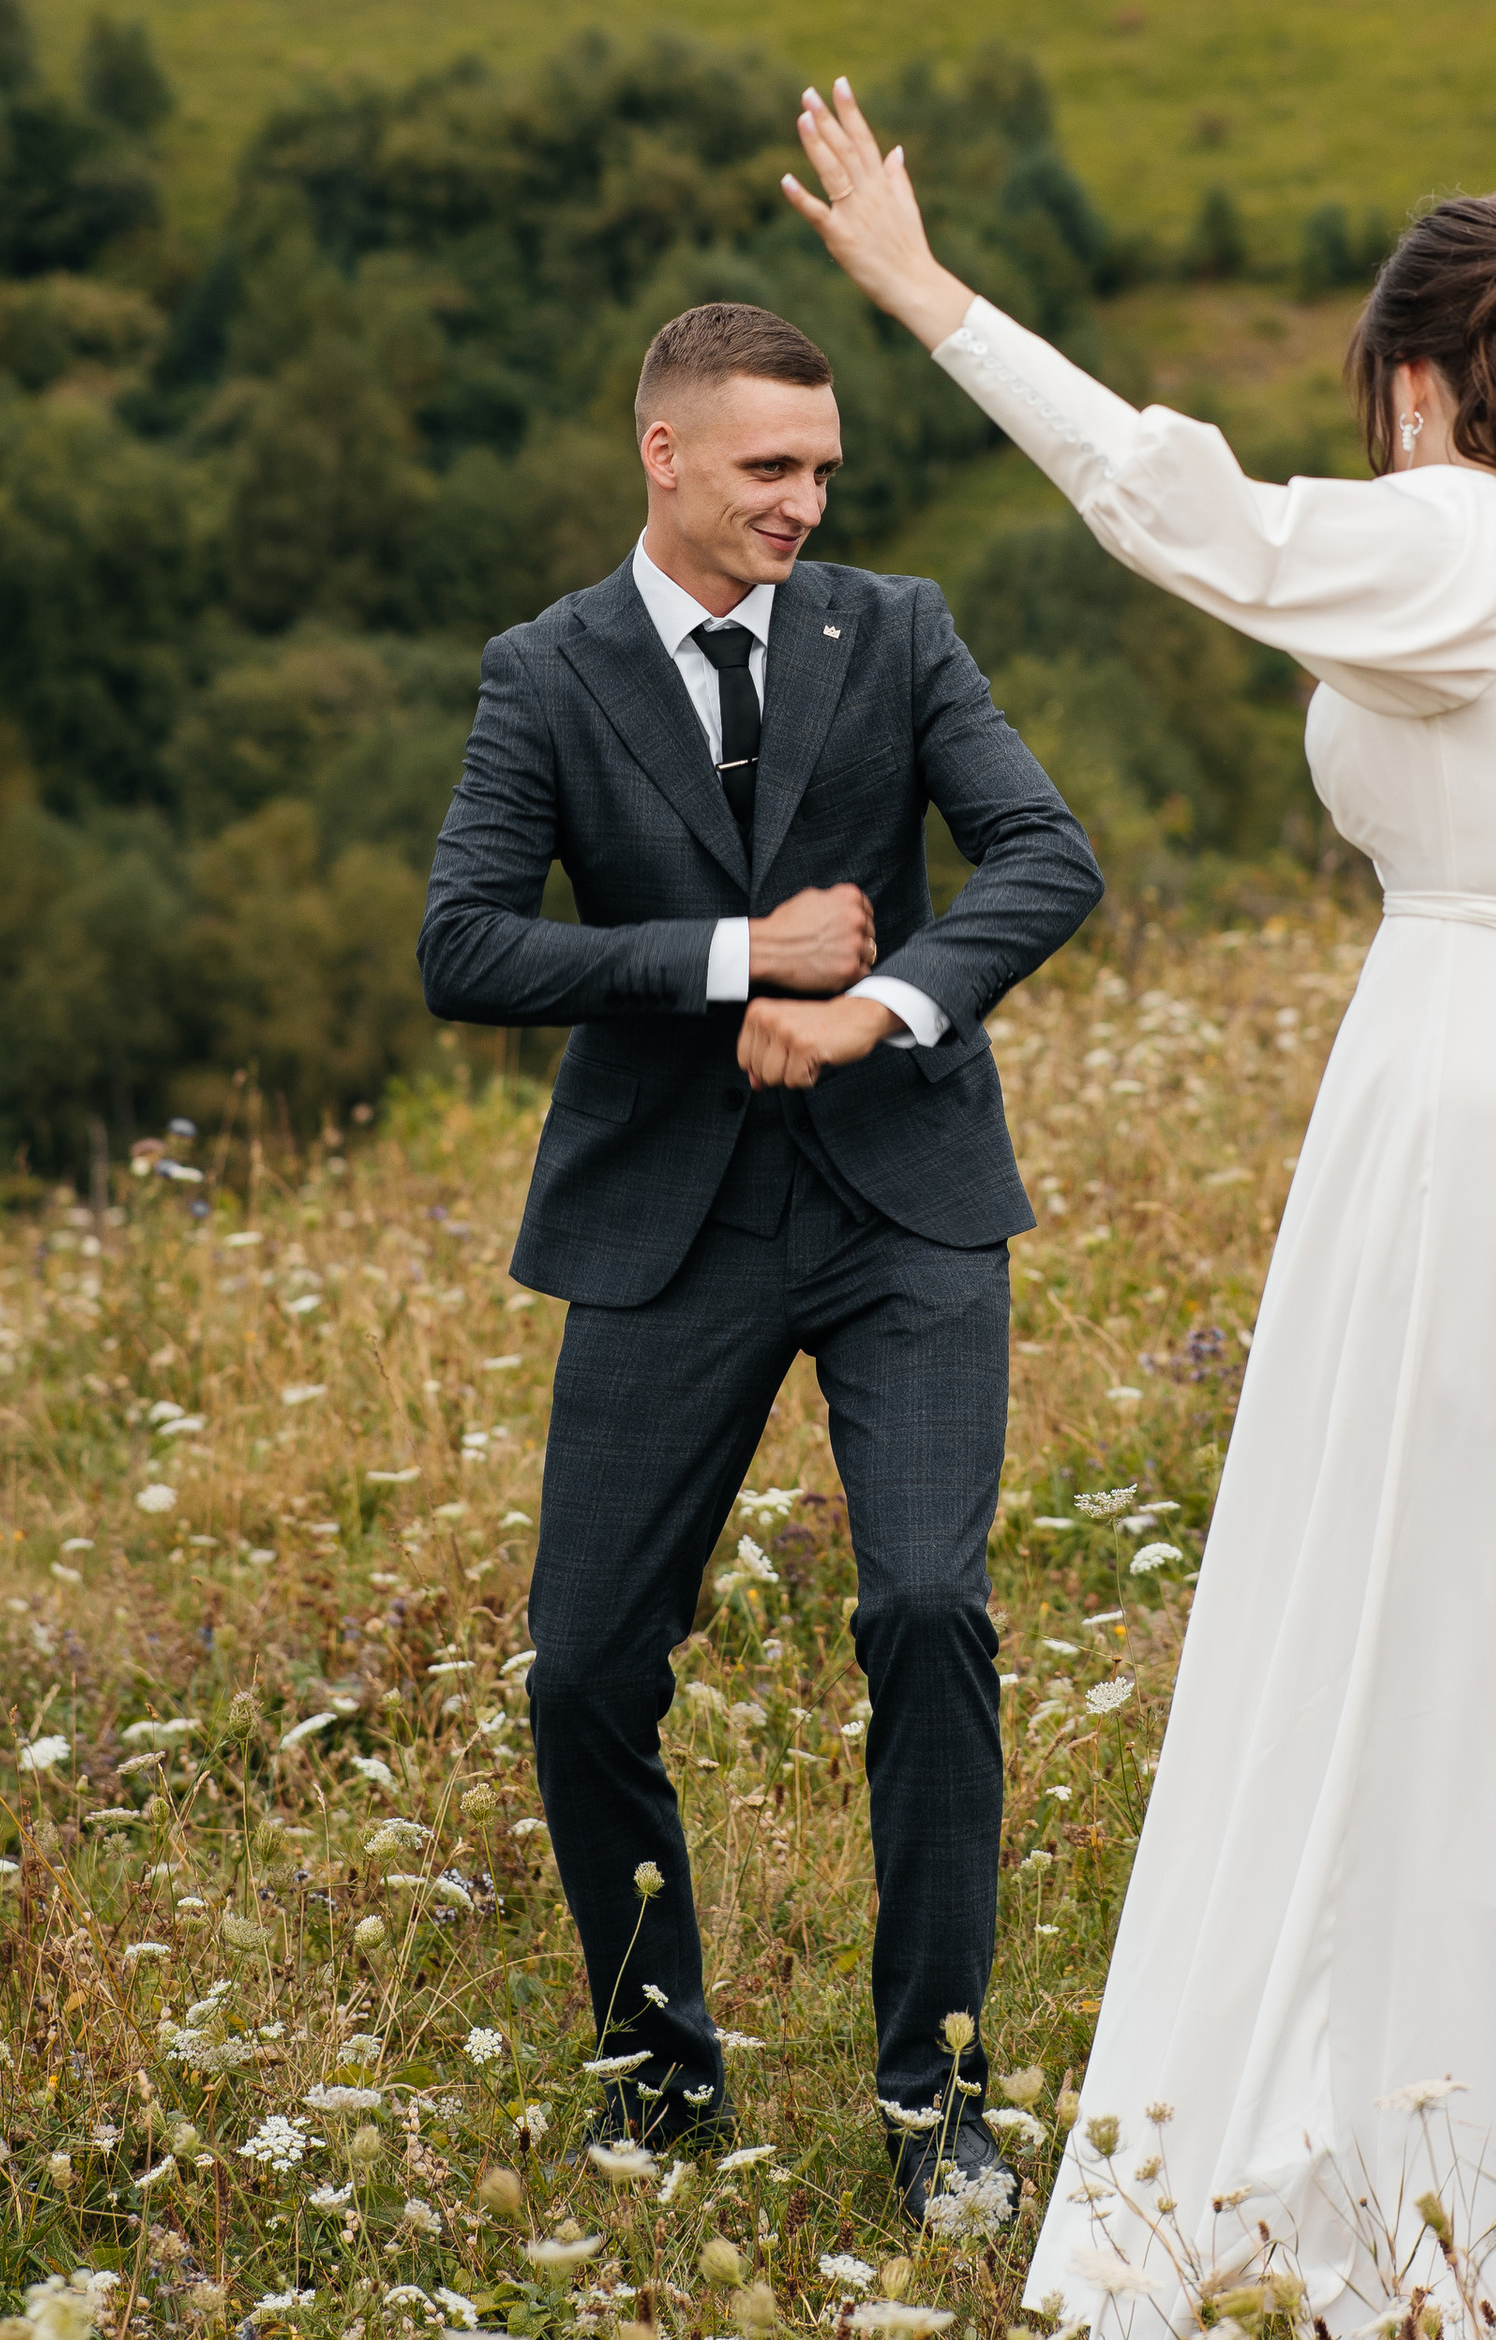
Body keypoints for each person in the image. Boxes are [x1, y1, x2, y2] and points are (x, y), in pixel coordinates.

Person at [781, 64, 1496, 2340]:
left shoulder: (1448, 539)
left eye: (1381, 395)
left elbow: (1180, 506)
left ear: (1420, 378)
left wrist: (930, 294)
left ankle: (1428, 2155)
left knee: (1419, 1595)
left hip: (1463, 1091)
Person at [417, 298, 1102, 2223]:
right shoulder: (543, 674)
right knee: (584, 1672)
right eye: (769, 468)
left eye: (822, 470)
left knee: (923, 1612)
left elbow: (1046, 858)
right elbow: (465, 947)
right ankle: (659, 2078)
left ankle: (939, 2106)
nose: (807, 500)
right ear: (664, 455)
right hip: (665, 1229)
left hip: (906, 1207)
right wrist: (734, 962)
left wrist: (879, 999)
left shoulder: (899, 630)